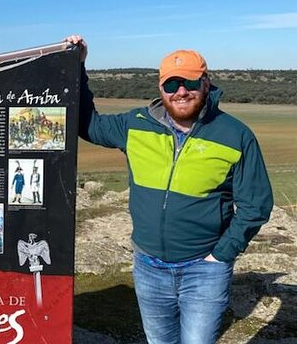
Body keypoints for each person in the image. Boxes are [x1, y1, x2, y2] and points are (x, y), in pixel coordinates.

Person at [69, 34, 273, 344]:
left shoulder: (235, 135)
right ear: (160, 88)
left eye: (190, 83)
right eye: (171, 84)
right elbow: (88, 125)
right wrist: (78, 65)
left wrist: (222, 254)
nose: (180, 92)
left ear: (206, 83)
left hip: (204, 270)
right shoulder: (135, 124)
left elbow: (257, 204)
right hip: (148, 266)